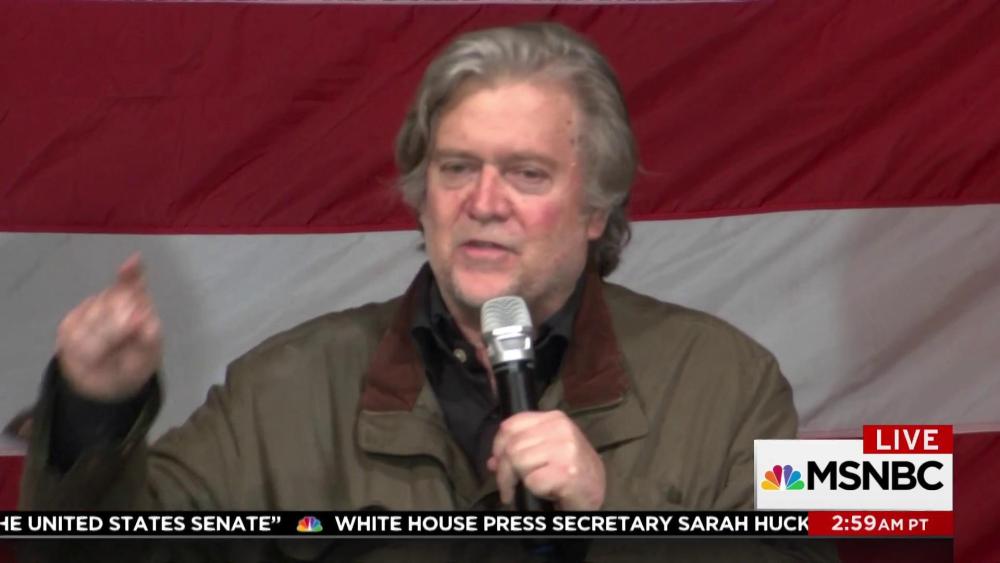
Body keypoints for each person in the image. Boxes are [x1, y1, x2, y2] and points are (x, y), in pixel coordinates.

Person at [19, 22, 825, 562]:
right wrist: (94, 410)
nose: (483, 201)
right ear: (422, 192)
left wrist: (613, 516)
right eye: (457, 167)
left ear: (595, 209)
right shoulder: (285, 385)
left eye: (527, 173)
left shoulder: (735, 377)